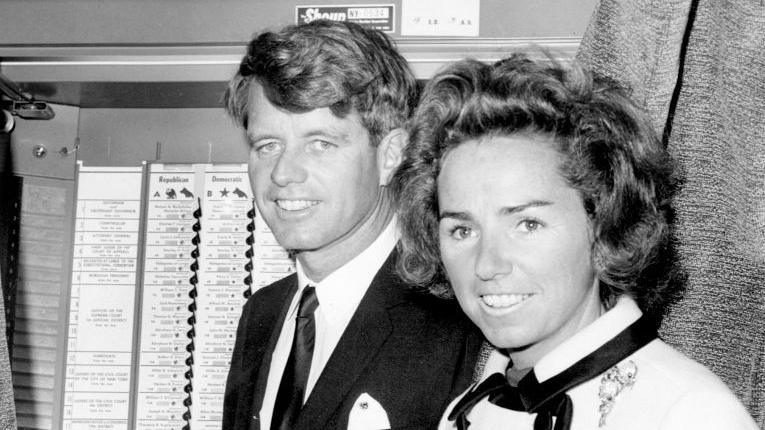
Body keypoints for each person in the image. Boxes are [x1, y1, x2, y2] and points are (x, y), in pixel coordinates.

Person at [391, 53, 758, 429]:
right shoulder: (468, 411)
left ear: (605, 222)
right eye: (462, 231)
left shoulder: (689, 414)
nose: (487, 265)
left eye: (527, 224)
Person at [221, 20, 481, 430]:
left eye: (320, 144)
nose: (284, 174)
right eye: (267, 146)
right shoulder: (261, 315)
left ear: (390, 154)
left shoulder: (458, 321)